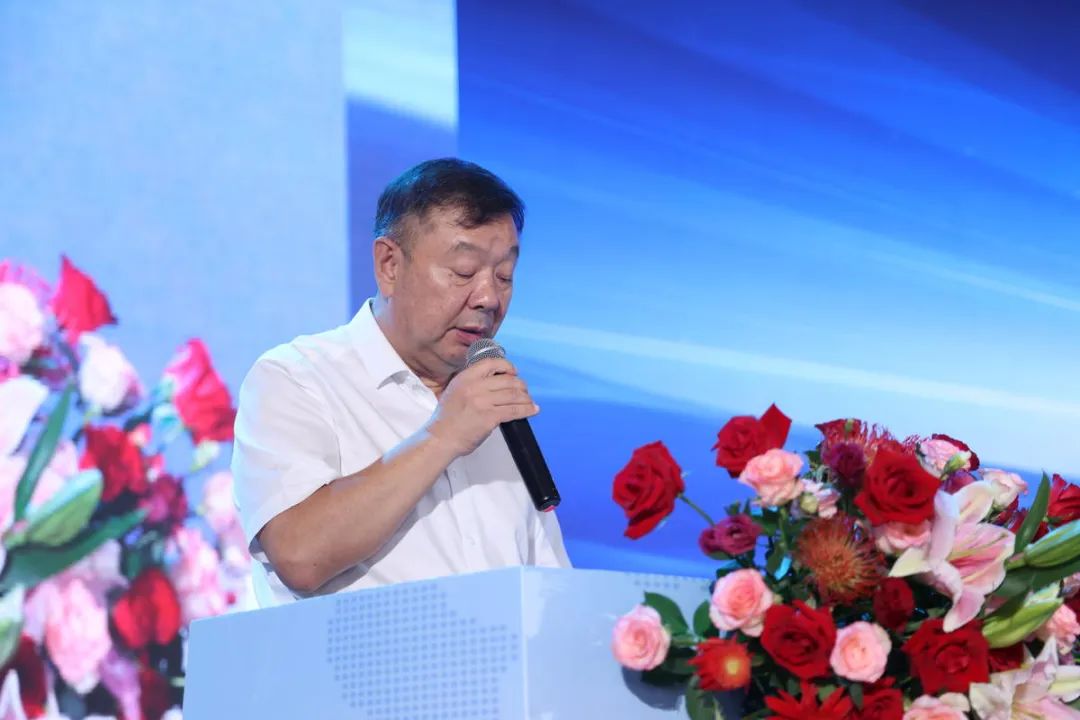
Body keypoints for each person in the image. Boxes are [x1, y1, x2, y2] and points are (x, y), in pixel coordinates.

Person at [231, 158, 571, 606]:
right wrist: (443, 435)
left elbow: (553, 594)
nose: (489, 298)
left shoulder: (493, 408)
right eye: (464, 271)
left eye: (504, 276)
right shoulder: (297, 379)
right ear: (389, 265)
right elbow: (300, 555)